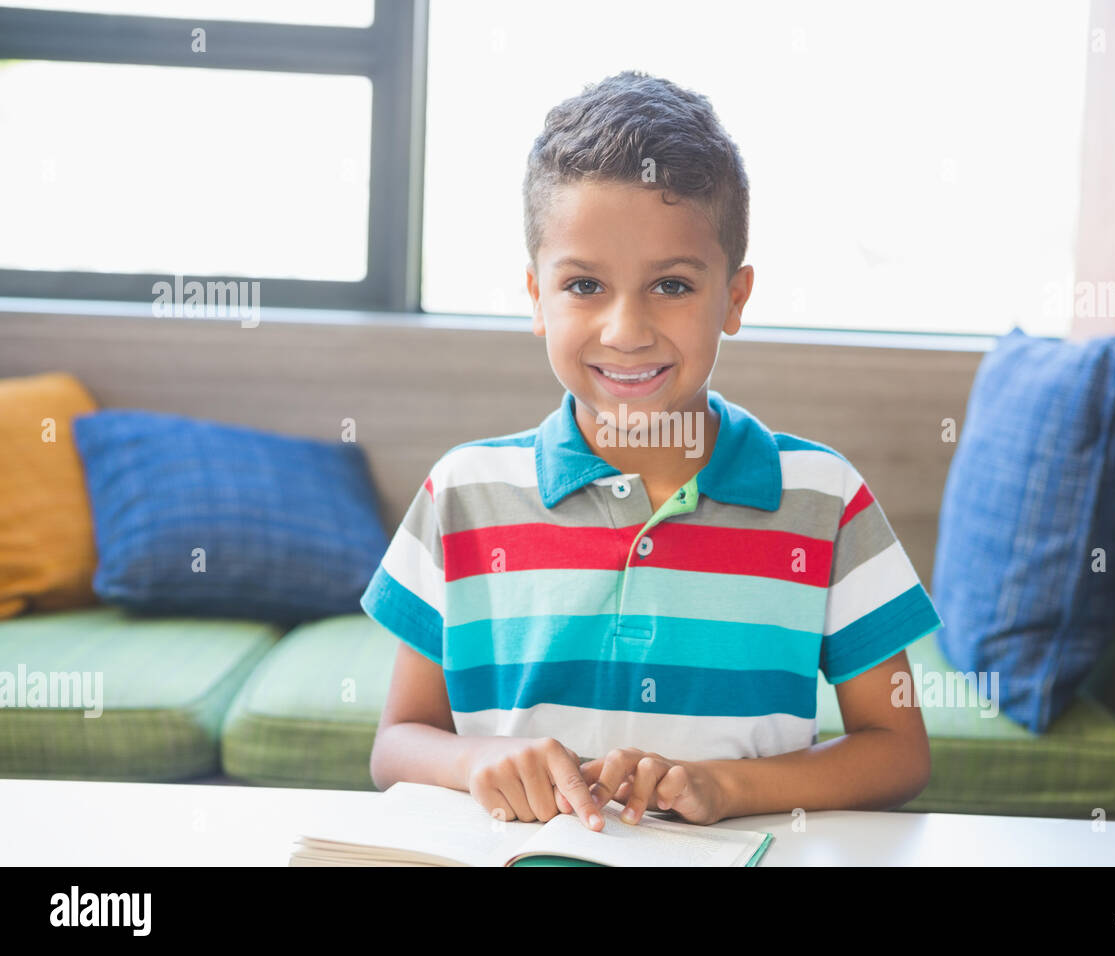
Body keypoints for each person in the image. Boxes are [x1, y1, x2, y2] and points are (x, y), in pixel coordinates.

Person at [363, 70, 942, 832]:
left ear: (734, 298)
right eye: (584, 286)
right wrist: (477, 762)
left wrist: (730, 787)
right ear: (535, 297)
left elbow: (897, 751)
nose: (626, 330)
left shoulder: (825, 500)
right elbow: (396, 745)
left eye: (671, 286)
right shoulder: (462, 492)